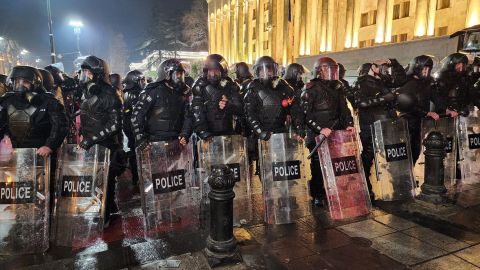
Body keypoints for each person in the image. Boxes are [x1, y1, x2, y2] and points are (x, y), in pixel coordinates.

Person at [0, 66, 67, 210]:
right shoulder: (6, 101)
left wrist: (49, 145)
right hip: (16, 154)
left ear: (34, 83)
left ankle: (44, 219)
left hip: (42, 154)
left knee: (43, 190)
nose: (20, 85)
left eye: (25, 81)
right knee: (19, 188)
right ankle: (23, 218)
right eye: (17, 81)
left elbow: (60, 126)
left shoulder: (49, 101)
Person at [78, 56, 124, 228]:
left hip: (106, 146)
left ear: (97, 73)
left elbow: (115, 124)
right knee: (96, 180)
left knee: (106, 180)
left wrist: (92, 139)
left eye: (88, 72)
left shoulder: (109, 93)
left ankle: (106, 214)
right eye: (84, 72)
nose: (85, 75)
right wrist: (84, 137)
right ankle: (108, 207)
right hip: (91, 145)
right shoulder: (87, 92)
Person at [301, 57, 355, 206]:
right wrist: (320, 129)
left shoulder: (337, 88)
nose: (332, 73)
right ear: (319, 71)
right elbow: (306, 115)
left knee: (336, 163)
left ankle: (332, 190)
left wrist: (349, 124)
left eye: (334, 69)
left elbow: (344, 109)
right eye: (328, 69)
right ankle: (318, 193)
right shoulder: (310, 88)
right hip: (318, 134)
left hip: (336, 132)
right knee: (318, 166)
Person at [353, 58, 406, 199]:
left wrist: (393, 62)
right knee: (368, 154)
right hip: (369, 123)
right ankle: (364, 185)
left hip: (386, 121)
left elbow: (401, 79)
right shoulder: (362, 82)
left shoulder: (382, 80)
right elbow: (361, 103)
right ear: (372, 67)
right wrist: (385, 98)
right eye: (380, 66)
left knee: (391, 152)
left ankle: (396, 183)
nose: (383, 69)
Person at [131, 59, 192, 150]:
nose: (180, 77)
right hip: (155, 142)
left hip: (176, 142)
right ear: (167, 74)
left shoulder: (183, 92)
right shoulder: (152, 91)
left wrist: (185, 134)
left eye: (181, 74)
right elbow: (136, 115)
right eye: (177, 74)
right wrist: (140, 139)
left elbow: (188, 116)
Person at [244, 56, 303, 141]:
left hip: (281, 133)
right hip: (261, 134)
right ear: (258, 72)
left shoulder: (283, 85)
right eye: (262, 70)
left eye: (269, 70)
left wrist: (298, 127)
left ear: (274, 70)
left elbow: (294, 108)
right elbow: (250, 114)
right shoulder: (253, 88)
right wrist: (260, 132)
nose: (267, 73)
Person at [192, 54, 243, 139]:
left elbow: (240, 109)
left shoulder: (230, 86)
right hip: (208, 135)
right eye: (210, 70)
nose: (213, 74)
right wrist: (203, 132)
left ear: (222, 71)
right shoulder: (200, 86)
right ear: (206, 71)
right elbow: (197, 112)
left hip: (228, 134)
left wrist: (228, 105)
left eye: (216, 70)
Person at [122, 70, 145, 185]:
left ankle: (136, 178)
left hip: (130, 130)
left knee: (133, 154)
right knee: (138, 156)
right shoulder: (135, 94)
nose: (143, 83)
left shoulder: (127, 93)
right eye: (141, 80)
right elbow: (137, 115)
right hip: (135, 130)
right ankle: (138, 179)